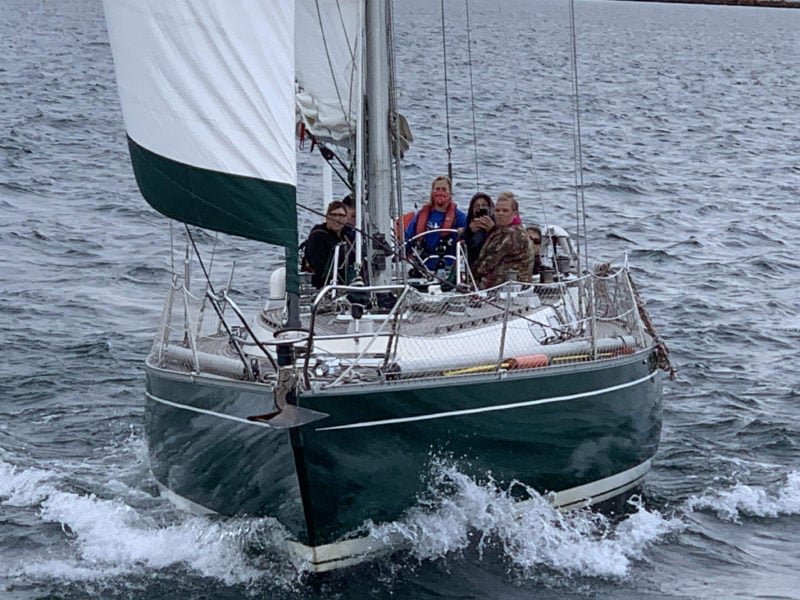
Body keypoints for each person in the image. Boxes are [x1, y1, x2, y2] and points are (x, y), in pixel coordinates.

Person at [471, 192, 535, 289]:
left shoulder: (510, 234)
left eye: (505, 211)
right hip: (503, 288)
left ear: (515, 214)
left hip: (506, 290)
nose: (500, 214)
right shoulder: (510, 230)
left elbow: (483, 267)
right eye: (497, 210)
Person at [403, 175, 467, 272]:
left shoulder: (459, 217)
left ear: (450, 193)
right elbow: (408, 238)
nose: (440, 192)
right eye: (437, 189)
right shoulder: (421, 215)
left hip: (449, 267)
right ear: (432, 193)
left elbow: (469, 239)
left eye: (444, 189)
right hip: (423, 266)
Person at [302, 200, 355, 289]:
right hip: (321, 285)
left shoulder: (348, 237)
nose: (337, 219)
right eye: (333, 215)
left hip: (345, 285)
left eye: (341, 215)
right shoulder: (317, 236)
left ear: (346, 219)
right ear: (327, 217)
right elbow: (319, 267)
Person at [460, 192, 495, 267]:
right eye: (477, 206)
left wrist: (492, 230)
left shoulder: (498, 227)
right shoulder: (468, 227)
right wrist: (469, 232)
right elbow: (457, 249)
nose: (481, 208)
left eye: (484, 205)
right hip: (472, 268)